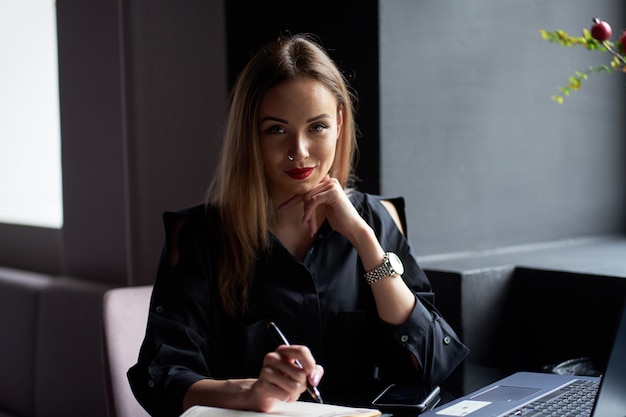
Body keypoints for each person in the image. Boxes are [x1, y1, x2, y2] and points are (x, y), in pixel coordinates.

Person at [128, 33, 469, 417]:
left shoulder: (374, 220)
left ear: (339, 123)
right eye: (276, 129)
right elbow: (159, 378)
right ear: (249, 135)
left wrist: (365, 242)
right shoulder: (200, 234)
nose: (299, 151)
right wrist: (249, 393)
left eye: (317, 127)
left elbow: (435, 361)